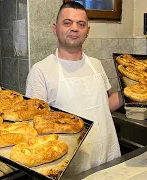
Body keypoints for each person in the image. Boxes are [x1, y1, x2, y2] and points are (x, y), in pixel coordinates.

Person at [25, 1, 123, 176]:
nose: (74, 28)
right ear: (55, 29)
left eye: (81, 24)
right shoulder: (41, 70)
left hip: (107, 158)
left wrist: (129, 93)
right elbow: (35, 125)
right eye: (67, 23)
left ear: (87, 31)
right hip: (70, 167)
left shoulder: (96, 65)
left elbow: (103, 107)